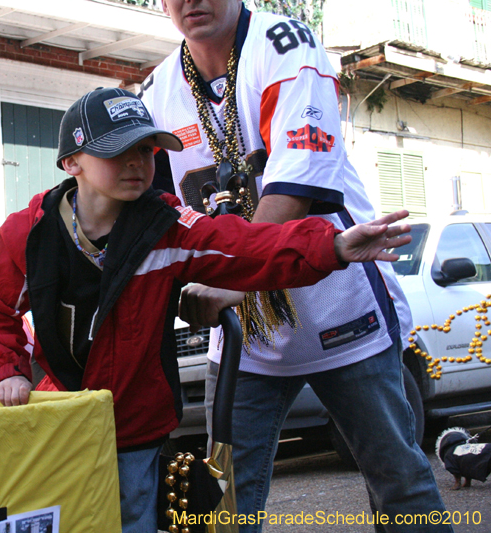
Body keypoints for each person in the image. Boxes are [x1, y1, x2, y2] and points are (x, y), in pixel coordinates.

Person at [0, 86, 411, 533]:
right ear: (72, 161)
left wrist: (331, 245)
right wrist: (9, 370)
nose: (138, 162)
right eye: (118, 151)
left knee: (132, 520)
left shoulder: (166, 226)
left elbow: (245, 246)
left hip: (135, 431)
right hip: (57, 424)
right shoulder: (29, 234)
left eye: (147, 149)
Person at [139, 1, 451, 531]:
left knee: (400, 485)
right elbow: (150, 213)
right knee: (224, 503)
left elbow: (291, 193)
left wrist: (229, 284)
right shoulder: (156, 91)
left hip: (338, 306)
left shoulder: (286, 46)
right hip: (246, 333)